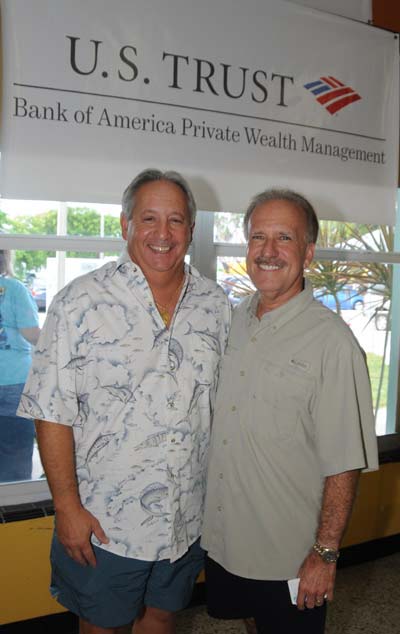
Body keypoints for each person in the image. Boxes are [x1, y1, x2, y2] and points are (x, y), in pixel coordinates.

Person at [17, 169, 231, 634]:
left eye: (176, 221)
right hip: (106, 521)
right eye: (149, 218)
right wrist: (68, 508)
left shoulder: (217, 306)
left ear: (191, 231)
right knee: (102, 624)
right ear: (124, 225)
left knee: (161, 615)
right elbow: (50, 411)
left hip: (186, 517)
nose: (163, 233)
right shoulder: (79, 303)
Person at [201, 189, 378, 634]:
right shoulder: (237, 318)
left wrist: (325, 554)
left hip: (288, 554)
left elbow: (344, 463)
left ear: (309, 252)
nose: (268, 251)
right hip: (227, 540)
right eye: (258, 237)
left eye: (284, 238)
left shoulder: (332, 344)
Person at [0, 249, 40, 482]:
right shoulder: (14, 289)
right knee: (14, 453)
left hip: (15, 383)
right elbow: (32, 334)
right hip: (15, 382)